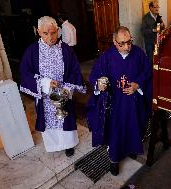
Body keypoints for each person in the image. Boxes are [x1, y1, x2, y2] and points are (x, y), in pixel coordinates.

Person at [87, 26, 152, 176]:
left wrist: (137, 84)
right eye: (122, 43)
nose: (127, 46)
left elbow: (147, 72)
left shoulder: (139, 54)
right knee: (115, 131)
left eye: (129, 42)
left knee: (134, 126)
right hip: (114, 102)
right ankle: (114, 160)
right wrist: (100, 84)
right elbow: (95, 76)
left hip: (133, 101)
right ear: (114, 42)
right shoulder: (106, 57)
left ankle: (132, 149)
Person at [20, 16, 86, 157]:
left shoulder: (66, 49)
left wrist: (67, 89)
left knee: (65, 118)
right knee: (49, 121)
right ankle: (54, 145)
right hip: (45, 96)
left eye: (53, 32)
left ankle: (69, 145)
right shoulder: (32, 51)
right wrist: (45, 82)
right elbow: (25, 74)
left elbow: (75, 70)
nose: (50, 37)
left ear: (58, 30)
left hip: (64, 93)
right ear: (38, 32)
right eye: (45, 33)